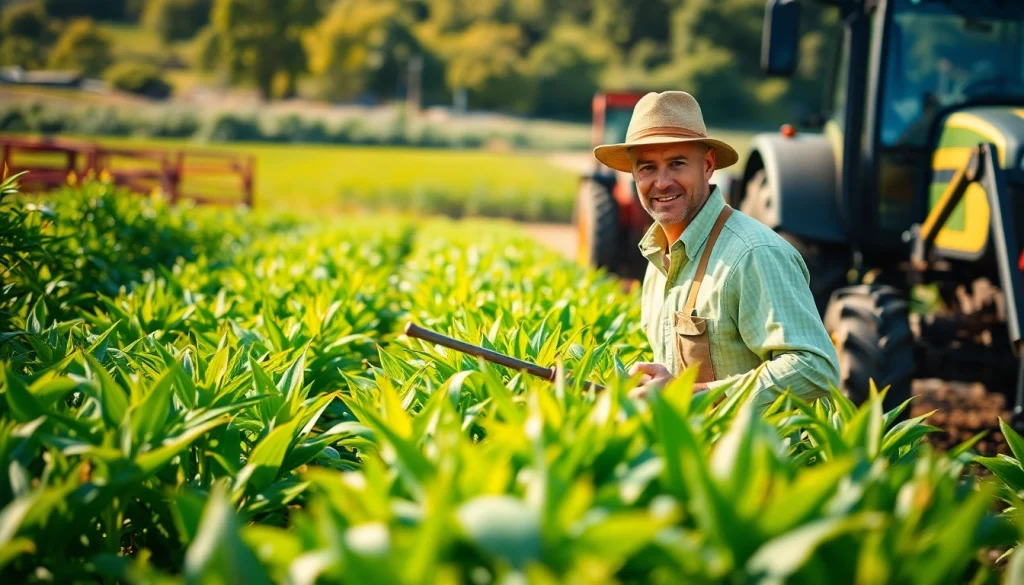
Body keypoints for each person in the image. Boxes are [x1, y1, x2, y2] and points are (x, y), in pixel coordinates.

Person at [593, 90, 839, 411]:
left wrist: (694, 393)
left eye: (677, 164)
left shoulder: (752, 253)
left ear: (707, 165)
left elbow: (815, 370)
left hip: (757, 458)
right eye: (647, 168)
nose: (662, 182)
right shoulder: (657, 259)